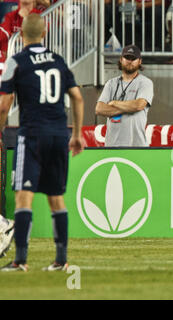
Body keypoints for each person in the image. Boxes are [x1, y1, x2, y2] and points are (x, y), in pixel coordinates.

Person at [0, 13, 85, 271]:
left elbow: (4, 104)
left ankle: (20, 261)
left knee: (23, 198)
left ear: (21, 35)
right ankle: (61, 260)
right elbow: (78, 98)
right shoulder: (58, 61)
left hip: (32, 134)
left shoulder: (16, 61)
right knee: (56, 198)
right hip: (59, 134)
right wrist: (77, 134)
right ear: (45, 32)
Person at [95, 44, 154, 147]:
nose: (130, 61)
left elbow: (138, 105)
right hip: (112, 146)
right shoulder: (111, 83)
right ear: (121, 60)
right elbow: (99, 109)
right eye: (127, 57)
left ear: (139, 61)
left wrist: (114, 103)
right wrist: (129, 108)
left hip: (137, 146)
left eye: (133, 58)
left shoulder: (145, 83)